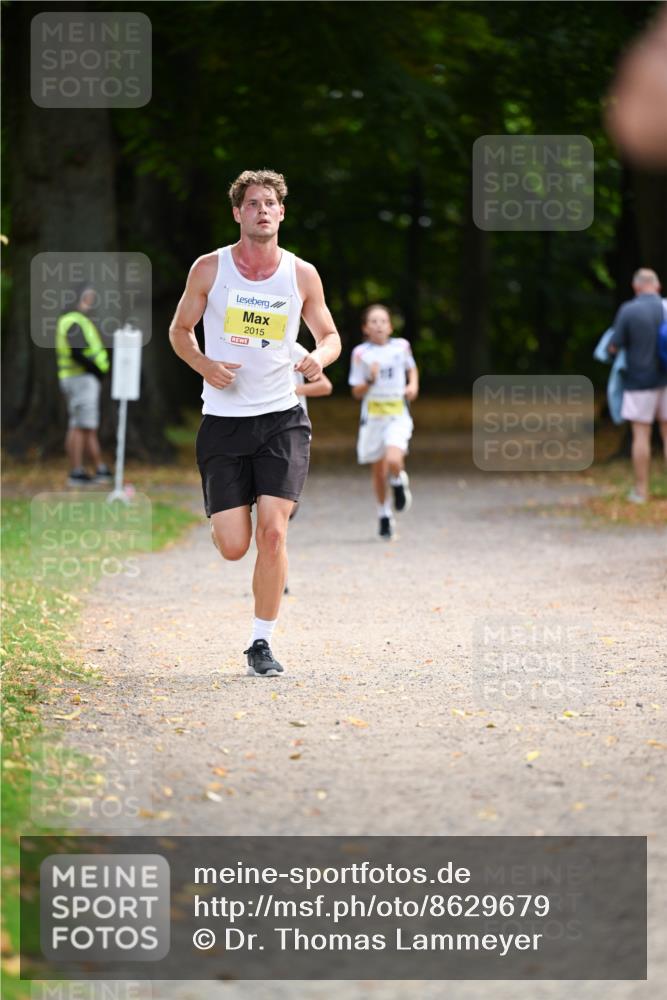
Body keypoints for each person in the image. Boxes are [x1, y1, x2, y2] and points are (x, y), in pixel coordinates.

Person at [168, 169, 341, 677]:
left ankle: (260, 642)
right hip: (223, 422)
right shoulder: (209, 268)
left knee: (272, 534)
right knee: (234, 546)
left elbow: (328, 335)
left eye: (270, 203)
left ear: (282, 213)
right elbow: (180, 331)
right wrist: (205, 366)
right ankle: (227, 519)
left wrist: (319, 360)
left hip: (282, 418)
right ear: (237, 213)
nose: (262, 210)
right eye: (252, 203)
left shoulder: (301, 274)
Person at [348, 303, 419, 539]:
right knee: (378, 472)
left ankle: (398, 481)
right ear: (365, 328)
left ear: (390, 326)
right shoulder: (360, 354)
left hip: (397, 415)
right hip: (373, 419)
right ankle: (384, 514)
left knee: (393, 458)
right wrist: (370, 380)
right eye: (373, 322)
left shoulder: (401, 347)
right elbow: (356, 392)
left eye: (383, 321)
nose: (378, 325)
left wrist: (412, 386)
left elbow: (412, 370)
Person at [608, 268, 667, 503]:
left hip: (639, 381)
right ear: (658, 286)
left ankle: (641, 491)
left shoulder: (629, 310)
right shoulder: (666, 307)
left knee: (641, 435)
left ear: (636, 287)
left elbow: (614, 346)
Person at [56, 286, 113, 486]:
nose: (89, 302)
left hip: (74, 378)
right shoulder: (75, 321)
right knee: (84, 426)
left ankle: (86, 469)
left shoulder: (69, 320)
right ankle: (82, 470)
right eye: (87, 298)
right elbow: (77, 352)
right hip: (82, 379)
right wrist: (97, 371)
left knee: (78, 425)